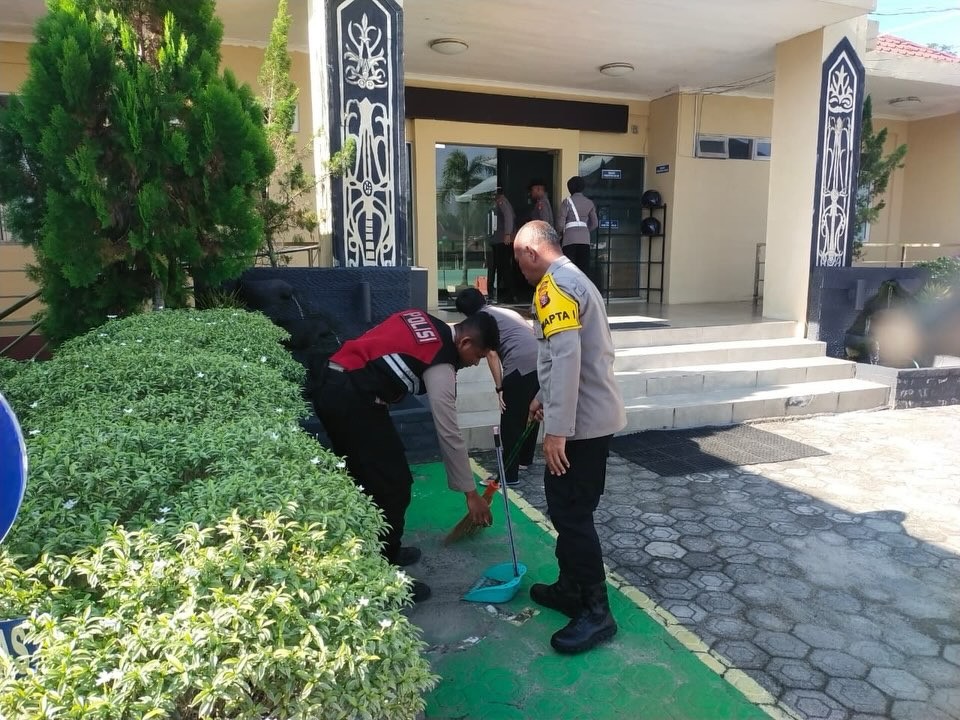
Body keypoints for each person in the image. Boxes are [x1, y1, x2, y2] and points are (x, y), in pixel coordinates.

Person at [309, 309, 499, 602]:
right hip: (349, 398)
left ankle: (383, 551)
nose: (475, 363)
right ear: (465, 343)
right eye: (478, 356)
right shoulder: (441, 360)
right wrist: (471, 494)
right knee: (392, 486)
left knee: (375, 480)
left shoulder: (423, 318)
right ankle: (381, 580)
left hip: (340, 385)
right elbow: (448, 431)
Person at [513, 220, 626, 654]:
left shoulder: (554, 287)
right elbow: (564, 356)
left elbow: (566, 358)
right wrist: (543, 395)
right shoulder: (575, 278)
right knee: (567, 509)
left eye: (519, 259)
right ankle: (570, 587)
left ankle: (597, 612)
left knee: (573, 514)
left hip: (580, 426)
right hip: (589, 417)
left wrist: (557, 430)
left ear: (532, 252)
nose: (520, 269)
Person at [455, 288, 539, 487]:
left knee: (510, 422)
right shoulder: (503, 311)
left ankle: (508, 475)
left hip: (519, 364)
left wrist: (500, 388)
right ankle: (525, 460)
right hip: (541, 361)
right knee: (531, 410)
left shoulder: (482, 321)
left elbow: (491, 354)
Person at [555, 176, 598, 277]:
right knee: (583, 271)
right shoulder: (589, 203)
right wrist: (585, 231)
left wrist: (560, 233)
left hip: (569, 240)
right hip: (585, 240)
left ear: (570, 188)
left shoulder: (566, 202)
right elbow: (595, 223)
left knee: (569, 269)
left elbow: (560, 224)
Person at [488, 188, 515, 302]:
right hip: (499, 240)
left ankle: (510, 294)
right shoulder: (503, 202)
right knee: (502, 267)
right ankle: (504, 293)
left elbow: (508, 217)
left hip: (501, 240)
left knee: (504, 267)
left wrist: (507, 234)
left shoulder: (501, 202)